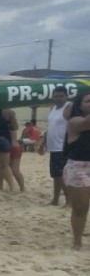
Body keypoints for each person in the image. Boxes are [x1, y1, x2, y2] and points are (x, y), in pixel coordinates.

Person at [62, 92, 90, 250]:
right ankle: (77, 241)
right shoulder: (74, 121)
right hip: (79, 168)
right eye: (88, 101)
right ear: (78, 106)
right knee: (81, 207)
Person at [43, 87, 73, 206]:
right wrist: (43, 144)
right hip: (53, 147)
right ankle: (55, 200)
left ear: (66, 96)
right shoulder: (53, 108)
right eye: (56, 96)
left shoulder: (69, 107)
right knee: (56, 175)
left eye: (61, 96)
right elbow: (50, 127)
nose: (58, 98)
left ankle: (69, 202)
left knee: (63, 176)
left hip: (63, 147)